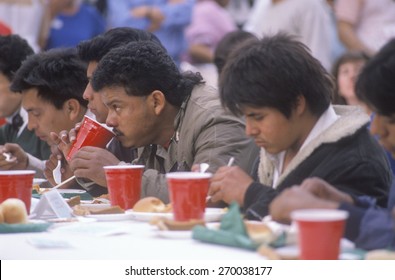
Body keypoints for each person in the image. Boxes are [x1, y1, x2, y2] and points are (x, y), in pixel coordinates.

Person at [209, 33, 391, 220]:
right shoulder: (275, 148)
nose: (250, 130)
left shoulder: (357, 162)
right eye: (246, 118)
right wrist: (222, 197)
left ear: (297, 104)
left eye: (258, 117)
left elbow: (351, 233)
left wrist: (249, 193)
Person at [87, 40, 258, 203]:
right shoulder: (148, 128)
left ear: (156, 102)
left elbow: (208, 197)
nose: (109, 120)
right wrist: (82, 167)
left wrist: (120, 175)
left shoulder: (215, 119)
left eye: (117, 107)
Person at [270, 38, 395, 250]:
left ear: (298, 104)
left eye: (390, 120)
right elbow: (389, 219)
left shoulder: (357, 157)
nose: (376, 130)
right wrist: (348, 202)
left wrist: (329, 210)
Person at [44, 27, 163, 189]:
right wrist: (78, 173)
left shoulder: (203, 117)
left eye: (97, 82)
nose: (86, 94)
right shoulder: (121, 131)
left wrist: (117, 172)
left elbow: (199, 195)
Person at [9, 48, 106, 196]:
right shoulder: (69, 138)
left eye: (36, 113)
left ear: (71, 108)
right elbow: (61, 178)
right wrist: (26, 163)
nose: (30, 125)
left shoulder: (107, 136)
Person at [0, 35, 51, 172]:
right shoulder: (8, 128)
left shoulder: (49, 124)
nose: (32, 123)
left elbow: (60, 178)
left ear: (15, 81)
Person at [243, 0, 336, 71]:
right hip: (261, 82)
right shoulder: (262, 5)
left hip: (293, 86)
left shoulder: (309, 5)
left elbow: (318, 59)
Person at [106, 0, 194, 67]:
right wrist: (157, 15)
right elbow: (123, 23)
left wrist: (147, 12)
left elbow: (186, 14)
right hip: (133, 64)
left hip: (173, 64)